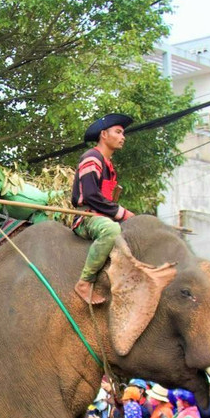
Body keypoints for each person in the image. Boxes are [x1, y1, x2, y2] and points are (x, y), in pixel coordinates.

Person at [69, 113, 135, 305]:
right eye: (118, 132)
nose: (123, 137)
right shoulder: (92, 158)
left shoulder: (108, 165)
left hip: (102, 215)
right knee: (111, 230)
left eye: (123, 133)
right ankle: (85, 282)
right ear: (104, 135)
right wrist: (122, 213)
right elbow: (91, 196)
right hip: (87, 218)